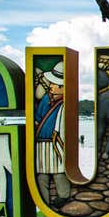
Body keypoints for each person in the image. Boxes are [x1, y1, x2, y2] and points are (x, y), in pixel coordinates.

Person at [34, 61, 71, 208]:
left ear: (63, 87)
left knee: (59, 171)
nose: (50, 86)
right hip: (41, 143)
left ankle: (64, 196)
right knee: (41, 174)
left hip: (56, 142)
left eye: (54, 84)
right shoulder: (45, 99)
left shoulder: (66, 104)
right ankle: (44, 201)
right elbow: (38, 118)